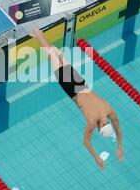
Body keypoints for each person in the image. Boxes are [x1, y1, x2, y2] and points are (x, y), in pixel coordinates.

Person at [30, 25, 124, 170]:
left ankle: (40, 37)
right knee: (52, 56)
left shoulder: (109, 111)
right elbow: (86, 142)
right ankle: (38, 34)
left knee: (57, 55)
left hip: (81, 83)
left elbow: (117, 126)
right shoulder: (92, 122)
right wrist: (97, 158)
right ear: (100, 128)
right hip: (72, 89)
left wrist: (120, 146)